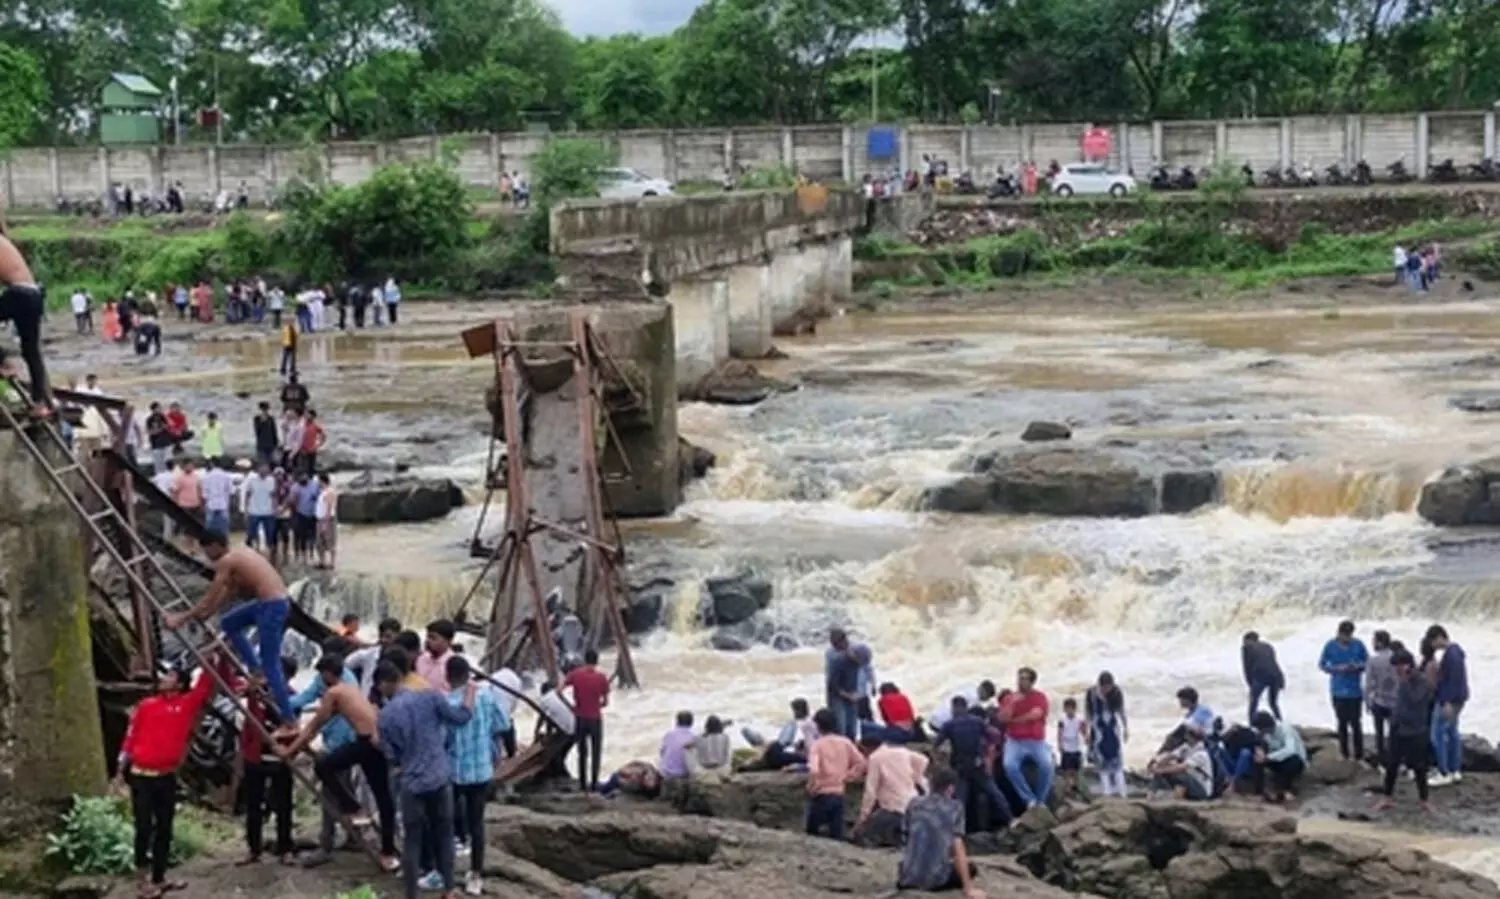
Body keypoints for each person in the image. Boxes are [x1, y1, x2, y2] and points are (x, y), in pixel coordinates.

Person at [278, 656, 400, 873]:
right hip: (376, 742)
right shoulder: (350, 688)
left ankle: (353, 807)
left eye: (320, 675)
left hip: (365, 743)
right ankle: (388, 851)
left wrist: (288, 751)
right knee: (384, 798)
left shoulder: (333, 693)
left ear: (327, 674)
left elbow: (313, 727)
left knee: (323, 766)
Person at [117, 653, 224, 899]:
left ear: (180, 683)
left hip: (166, 776)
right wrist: (120, 768)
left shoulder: (186, 705)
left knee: (165, 827)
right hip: (141, 776)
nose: (164, 679)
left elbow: (205, 685)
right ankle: (142, 880)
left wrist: (212, 658)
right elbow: (131, 736)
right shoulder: (146, 705)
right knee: (144, 827)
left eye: (170, 676)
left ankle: (160, 877)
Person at [164, 536, 297, 722]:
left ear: (215, 545)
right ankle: (255, 669)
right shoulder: (239, 557)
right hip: (269, 603)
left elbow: (210, 596)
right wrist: (207, 613)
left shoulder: (227, 560)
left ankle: (290, 721)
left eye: (207, 550)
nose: (207, 556)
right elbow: (225, 594)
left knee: (271, 665)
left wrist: (181, 618)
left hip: (271, 606)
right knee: (229, 623)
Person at [379, 661, 476, 899]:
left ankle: (412, 894)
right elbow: (461, 718)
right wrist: (470, 694)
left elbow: (391, 756)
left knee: (413, 840)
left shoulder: (385, 716)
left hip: (411, 783)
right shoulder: (430, 697)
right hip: (438, 777)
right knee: (444, 834)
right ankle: (449, 888)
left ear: (385, 684)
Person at [442, 656, 509, 896]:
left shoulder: (448, 703)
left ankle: (445, 872)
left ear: (448, 677)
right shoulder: (486, 696)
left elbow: (443, 739)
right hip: (481, 769)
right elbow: (503, 724)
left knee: (446, 821)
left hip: (455, 771)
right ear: (467, 675)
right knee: (477, 824)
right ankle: (476, 875)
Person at [238, 659, 298, 867]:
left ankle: (285, 848)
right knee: (253, 803)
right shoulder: (257, 693)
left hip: (280, 756)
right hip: (255, 756)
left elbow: (294, 727)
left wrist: (279, 739)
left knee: (283, 804)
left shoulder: (291, 697)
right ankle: (253, 849)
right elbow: (237, 689)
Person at [896, 767, 985, 899]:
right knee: (971, 869)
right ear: (950, 788)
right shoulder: (955, 808)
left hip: (906, 877)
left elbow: (906, 836)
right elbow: (958, 848)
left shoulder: (914, 803)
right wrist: (968, 888)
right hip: (934, 879)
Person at [932, 696, 1010, 831]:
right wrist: (989, 757)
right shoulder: (977, 721)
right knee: (994, 792)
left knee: (960, 800)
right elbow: (996, 736)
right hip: (978, 764)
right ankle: (1010, 818)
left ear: (954, 708)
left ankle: (958, 830)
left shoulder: (949, 725)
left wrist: (937, 762)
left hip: (960, 767)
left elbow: (936, 745)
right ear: (966, 707)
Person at [1374, 649, 1435, 814]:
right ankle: (1387, 797)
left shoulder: (1421, 680)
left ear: (1408, 665)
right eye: (1395, 667)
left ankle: (1424, 800)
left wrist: (1404, 682)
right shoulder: (1400, 680)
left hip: (1416, 730)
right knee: (1392, 764)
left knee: (1419, 767)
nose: (1396, 670)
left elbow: (1416, 700)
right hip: (1398, 728)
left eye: (1399, 666)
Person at [0, 232, 52, 418]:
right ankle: (39, 403)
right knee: (31, 352)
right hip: (34, 295)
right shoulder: (4, 242)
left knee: (31, 351)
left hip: (19, 294)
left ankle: (3, 362)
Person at [856, 733, 929, 848]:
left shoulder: (875, 758)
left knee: (866, 834)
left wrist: (862, 818)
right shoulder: (901, 751)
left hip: (892, 807)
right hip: (912, 802)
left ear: (867, 748)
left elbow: (870, 791)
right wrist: (916, 776)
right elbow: (923, 760)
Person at [805, 707, 867, 840]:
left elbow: (814, 770)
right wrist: (849, 776)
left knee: (812, 832)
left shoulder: (817, 745)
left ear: (818, 726)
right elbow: (861, 762)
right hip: (839, 791)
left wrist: (811, 786)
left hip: (821, 793)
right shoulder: (845, 742)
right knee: (836, 832)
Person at [999, 667, 1053, 810]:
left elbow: (1035, 715)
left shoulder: (1040, 697)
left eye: (1024, 679)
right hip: (1015, 741)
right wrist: (1012, 703)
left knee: (1047, 765)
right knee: (1009, 765)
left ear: (1031, 681)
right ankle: (1029, 799)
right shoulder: (1010, 698)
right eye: (1019, 678)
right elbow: (1003, 718)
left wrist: (1014, 720)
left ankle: (1040, 800)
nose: (1020, 681)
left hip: (1036, 741)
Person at [1318, 619, 1369, 761]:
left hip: (1355, 691)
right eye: (1344, 635)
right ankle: (1344, 752)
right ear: (1339, 633)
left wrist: (1358, 666)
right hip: (1338, 690)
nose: (1346, 638)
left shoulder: (1358, 644)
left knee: (1356, 723)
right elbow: (1322, 664)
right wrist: (1336, 669)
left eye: (1349, 636)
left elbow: (1367, 662)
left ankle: (1359, 754)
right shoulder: (1330, 645)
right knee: (1342, 722)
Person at [562, 647, 610, 792]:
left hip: (580, 718)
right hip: (595, 719)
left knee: (582, 752)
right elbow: (605, 702)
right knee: (596, 753)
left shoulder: (575, 674)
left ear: (584, 660)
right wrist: (598, 705)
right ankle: (594, 784)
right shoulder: (601, 678)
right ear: (597, 661)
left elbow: (559, 690)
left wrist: (571, 706)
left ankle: (582, 784)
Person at [1426, 624, 1469, 787]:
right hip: (1457, 698)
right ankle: (1454, 769)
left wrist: (1447, 702)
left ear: (1439, 637)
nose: (1432, 646)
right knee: (1452, 732)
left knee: (1436, 734)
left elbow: (1453, 681)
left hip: (1449, 700)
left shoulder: (1452, 655)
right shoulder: (1455, 652)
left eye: (1433, 641)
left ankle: (1444, 771)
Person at [1085, 672, 1128, 797]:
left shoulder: (1116, 692)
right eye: (1104, 688)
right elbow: (1088, 713)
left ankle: (1122, 792)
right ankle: (1106, 792)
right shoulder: (1091, 693)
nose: (1106, 691)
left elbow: (1121, 711)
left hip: (1112, 729)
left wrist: (1126, 728)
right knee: (1101, 761)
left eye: (1108, 688)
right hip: (1097, 729)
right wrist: (1087, 731)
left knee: (1116, 759)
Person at [825, 628, 873, 739]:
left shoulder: (859, 654)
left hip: (851, 694)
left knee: (852, 727)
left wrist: (862, 692)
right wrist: (848, 696)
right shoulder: (836, 660)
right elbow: (832, 686)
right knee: (841, 727)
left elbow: (867, 669)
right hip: (837, 697)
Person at [1248, 711, 1306, 802]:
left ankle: (1286, 790)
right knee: (1258, 758)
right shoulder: (1265, 734)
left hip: (1295, 759)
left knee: (1292, 762)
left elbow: (1290, 749)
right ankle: (1258, 792)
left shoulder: (1285, 729)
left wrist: (1268, 757)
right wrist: (1260, 751)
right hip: (1276, 759)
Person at [1147, 724, 1213, 801]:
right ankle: (1150, 796)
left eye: (1187, 736)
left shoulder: (1201, 754)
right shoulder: (1186, 747)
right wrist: (1157, 764)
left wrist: (1160, 770)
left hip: (1201, 790)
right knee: (1162, 770)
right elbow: (1170, 756)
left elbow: (1181, 768)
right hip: (1189, 782)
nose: (1185, 738)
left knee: (1181, 776)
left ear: (1191, 738)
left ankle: (1177, 799)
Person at [1365, 630, 1399, 766]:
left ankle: (1381, 760)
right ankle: (1395, 760)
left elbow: (1369, 684)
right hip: (1396, 701)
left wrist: (1367, 702)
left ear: (1380, 643)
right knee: (1394, 734)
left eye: (1374, 641)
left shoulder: (1373, 660)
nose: (1372, 643)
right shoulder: (1397, 657)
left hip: (1379, 701)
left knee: (1379, 733)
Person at [1241, 631, 1285, 721]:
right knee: (1273, 703)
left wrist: (1250, 684)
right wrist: (1281, 681)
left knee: (1253, 700)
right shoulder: (1268, 646)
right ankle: (1280, 721)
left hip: (1260, 675)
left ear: (1247, 640)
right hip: (1276, 675)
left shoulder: (1247, 646)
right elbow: (1272, 662)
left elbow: (1247, 666)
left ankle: (1251, 723)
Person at [930, 681, 996, 731]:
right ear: (985, 692)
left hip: (935, 717)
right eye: (988, 697)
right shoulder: (974, 702)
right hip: (942, 725)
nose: (987, 700)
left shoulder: (968, 687)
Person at [1056, 697, 1089, 796]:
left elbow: (1083, 730)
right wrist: (1060, 744)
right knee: (1066, 769)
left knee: (1075, 769)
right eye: (1067, 708)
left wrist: (1086, 737)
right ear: (1064, 709)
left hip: (1076, 746)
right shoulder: (1062, 720)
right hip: (1066, 746)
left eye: (1071, 708)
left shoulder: (1079, 720)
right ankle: (1067, 787)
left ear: (1075, 709)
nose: (1069, 711)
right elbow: (1060, 733)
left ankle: (1074, 786)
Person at [417, 620, 457, 693]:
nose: (428, 641)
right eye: (428, 637)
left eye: (433, 638)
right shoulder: (422, 658)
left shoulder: (453, 666)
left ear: (448, 641)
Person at [659, 711, 698, 783]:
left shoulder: (669, 734)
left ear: (677, 722)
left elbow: (661, 753)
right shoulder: (693, 737)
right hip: (682, 775)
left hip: (666, 773)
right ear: (691, 723)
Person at [200, 458, 235, 538]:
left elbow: (204, 494)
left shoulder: (207, 477)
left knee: (209, 526)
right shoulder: (226, 476)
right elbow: (231, 491)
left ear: (211, 464)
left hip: (211, 504)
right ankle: (224, 541)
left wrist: (203, 505)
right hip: (223, 504)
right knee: (224, 527)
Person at [292, 472, 320, 564]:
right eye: (301, 477)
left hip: (313, 514)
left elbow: (319, 496)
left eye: (304, 476)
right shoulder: (295, 487)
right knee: (302, 536)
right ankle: (303, 556)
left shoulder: (314, 485)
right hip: (301, 514)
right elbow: (292, 501)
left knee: (313, 536)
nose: (303, 478)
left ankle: (311, 554)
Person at [315, 472, 338, 569]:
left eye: (318, 481)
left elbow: (328, 508)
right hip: (320, 519)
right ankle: (322, 561)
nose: (317, 483)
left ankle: (332, 563)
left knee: (330, 541)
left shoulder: (330, 492)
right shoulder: (322, 492)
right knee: (320, 542)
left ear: (322, 481)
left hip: (327, 520)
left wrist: (325, 524)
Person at [171, 458, 204, 525]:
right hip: (185, 505)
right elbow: (174, 492)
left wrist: (201, 502)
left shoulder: (196, 477)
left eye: (192, 465)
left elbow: (199, 489)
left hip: (196, 504)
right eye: (189, 465)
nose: (191, 467)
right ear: (184, 466)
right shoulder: (180, 478)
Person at [146, 403, 173, 472]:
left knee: (168, 460)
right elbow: (150, 432)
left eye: (160, 408)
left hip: (166, 442)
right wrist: (160, 429)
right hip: (156, 444)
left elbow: (170, 426)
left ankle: (169, 474)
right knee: (158, 464)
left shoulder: (164, 417)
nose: (160, 409)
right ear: (153, 409)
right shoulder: (149, 419)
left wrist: (166, 426)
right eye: (158, 408)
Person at [299, 409, 326, 475]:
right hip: (302, 449)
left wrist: (319, 444)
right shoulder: (301, 424)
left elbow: (323, 435)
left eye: (308, 414)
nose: (306, 416)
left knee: (310, 468)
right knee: (301, 468)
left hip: (311, 450)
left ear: (313, 416)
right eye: (305, 414)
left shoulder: (315, 425)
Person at [253, 402, 279, 466]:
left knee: (273, 462)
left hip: (271, 444)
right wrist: (262, 421)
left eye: (266, 409)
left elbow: (274, 431)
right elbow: (257, 431)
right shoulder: (257, 419)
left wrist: (276, 443)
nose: (265, 411)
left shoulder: (271, 419)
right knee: (263, 462)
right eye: (263, 409)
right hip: (261, 444)